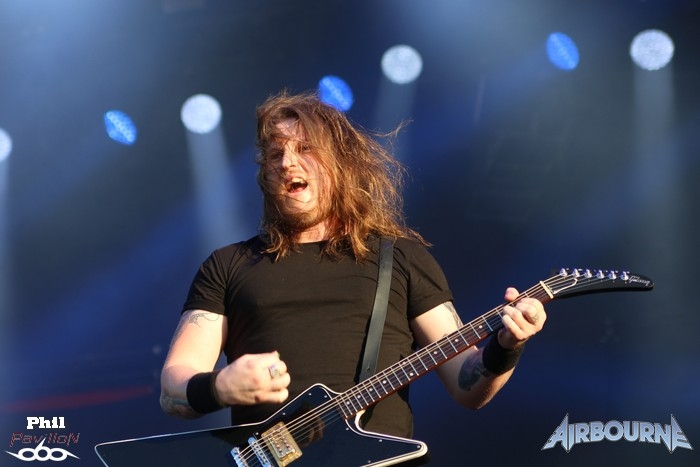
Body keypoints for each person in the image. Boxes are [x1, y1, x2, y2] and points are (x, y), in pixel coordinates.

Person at [159, 91, 546, 449]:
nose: (286, 163)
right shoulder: (229, 265)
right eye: (275, 154)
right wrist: (221, 387)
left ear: (341, 162)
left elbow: (467, 385)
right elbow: (173, 388)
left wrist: (505, 346)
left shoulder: (401, 259)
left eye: (304, 148)